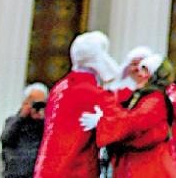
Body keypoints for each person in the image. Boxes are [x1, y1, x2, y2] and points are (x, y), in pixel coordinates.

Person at [33, 29, 117, 178]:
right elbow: (119, 118)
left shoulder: (60, 87)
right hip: (74, 169)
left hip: (47, 168)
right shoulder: (92, 92)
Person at [94, 54, 176, 178]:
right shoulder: (142, 96)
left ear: (155, 76)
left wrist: (104, 116)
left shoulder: (155, 100)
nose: (139, 74)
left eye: (145, 70)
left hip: (148, 167)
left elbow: (132, 123)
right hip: (139, 164)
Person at [0, 86, 46, 178]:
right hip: (14, 172)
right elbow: (5, 138)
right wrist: (22, 116)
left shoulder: (43, 124)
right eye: (34, 102)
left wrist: (41, 120)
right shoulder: (13, 120)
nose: (37, 107)